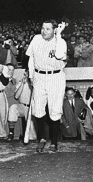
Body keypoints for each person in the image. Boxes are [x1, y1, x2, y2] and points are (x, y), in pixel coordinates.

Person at [26, 20, 67, 153]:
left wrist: (59, 35)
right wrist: (31, 76)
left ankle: (54, 142)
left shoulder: (60, 41)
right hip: (39, 76)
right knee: (38, 109)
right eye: (43, 28)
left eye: (48, 29)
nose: (44, 31)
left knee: (54, 111)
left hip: (55, 77)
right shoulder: (36, 39)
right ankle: (42, 139)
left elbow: (60, 55)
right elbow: (31, 58)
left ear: (54, 30)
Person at [7, 69, 37, 142]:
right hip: (23, 106)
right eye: (27, 73)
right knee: (13, 108)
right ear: (25, 74)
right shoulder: (21, 82)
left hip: (33, 108)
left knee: (31, 135)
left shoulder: (37, 82)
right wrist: (22, 84)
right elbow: (16, 96)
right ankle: (11, 132)